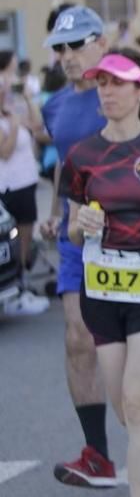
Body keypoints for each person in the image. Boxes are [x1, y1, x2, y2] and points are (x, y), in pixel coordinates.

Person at [40, 5, 140, 490]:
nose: (67, 56)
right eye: (59, 48)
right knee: (76, 336)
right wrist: (57, 213)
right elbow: (63, 167)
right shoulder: (55, 105)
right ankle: (98, 455)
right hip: (85, 237)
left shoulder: (126, 88)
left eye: (76, 45)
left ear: (100, 43)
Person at [0, 51, 50, 316]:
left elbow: (38, 126)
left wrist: (28, 100)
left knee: (27, 238)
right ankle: (16, 288)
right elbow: (4, 152)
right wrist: (15, 123)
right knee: (16, 242)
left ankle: (22, 284)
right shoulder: (5, 119)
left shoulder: (13, 111)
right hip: (10, 186)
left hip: (27, 182)